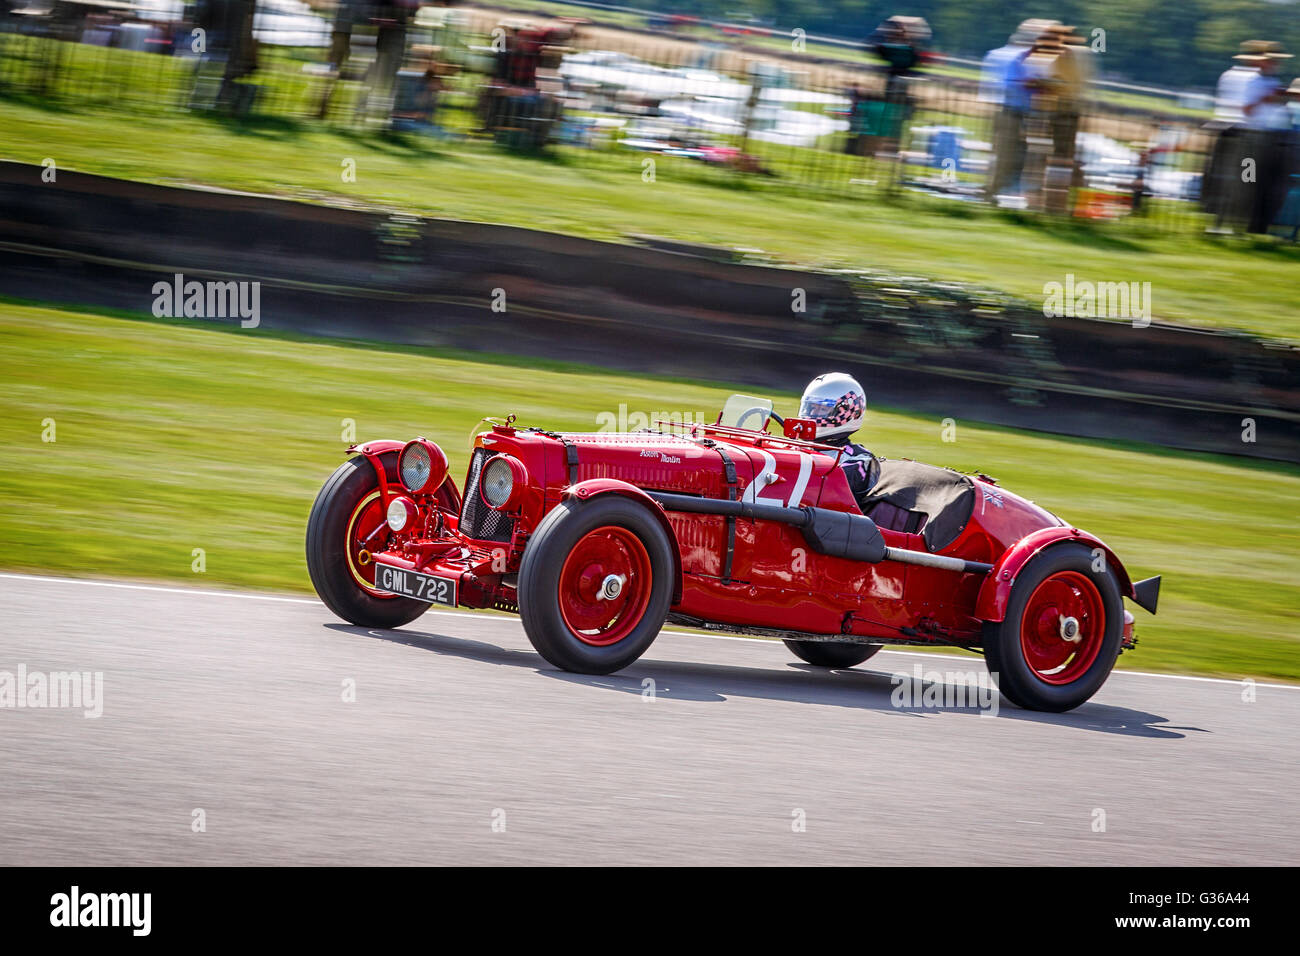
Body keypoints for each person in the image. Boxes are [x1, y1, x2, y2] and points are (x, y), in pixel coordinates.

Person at [798, 373, 878, 504]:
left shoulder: (857, 460)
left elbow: (823, 490)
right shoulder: (795, 447)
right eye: (811, 407)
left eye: (822, 409)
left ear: (848, 413)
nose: (812, 414)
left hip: (823, 519)